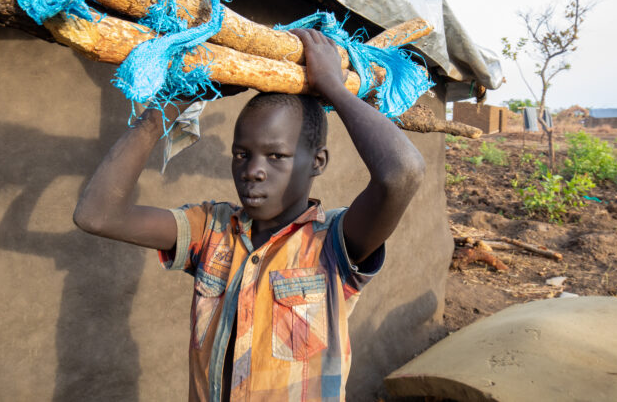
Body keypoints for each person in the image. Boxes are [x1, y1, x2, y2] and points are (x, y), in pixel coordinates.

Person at [73, 28, 425, 401]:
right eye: (242, 154)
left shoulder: (334, 245)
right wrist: (173, 102)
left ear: (317, 162)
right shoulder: (211, 231)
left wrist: (333, 88)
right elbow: (97, 215)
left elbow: (402, 174)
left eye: (276, 156)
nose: (253, 170)